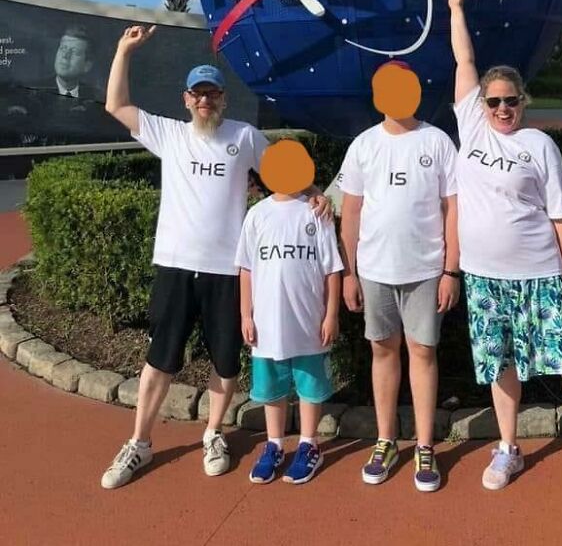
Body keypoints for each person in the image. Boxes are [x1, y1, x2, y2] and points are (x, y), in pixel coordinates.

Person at [100, 25, 331, 490]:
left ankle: (213, 434)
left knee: (225, 362)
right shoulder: (168, 135)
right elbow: (116, 106)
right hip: (175, 265)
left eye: (213, 94)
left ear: (224, 99)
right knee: (161, 358)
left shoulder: (244, 136)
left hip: (226, 271)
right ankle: (140, 442)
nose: (205, 100)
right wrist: (124, 50)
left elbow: (281, 172)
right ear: (186, 99)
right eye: (197, 94)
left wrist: (315, 193)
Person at [447, 0, 562, 517]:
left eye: (512, 101)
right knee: (500, 368)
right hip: (483, 279)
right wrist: (456, 8)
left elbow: (560, 216)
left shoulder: (539, 145)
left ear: (523, 102)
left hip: (540, 277)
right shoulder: (471, 128)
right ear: (482, 104)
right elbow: (465, 62)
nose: (503, 109)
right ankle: (508, 449)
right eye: (495, 101)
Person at [338, 61, 459, 493]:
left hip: (427, 271)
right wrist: (349, 273)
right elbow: (349, 213)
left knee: (423, 354)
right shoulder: (364, 146)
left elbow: (453, 211)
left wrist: (450, 271)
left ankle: (425, 446)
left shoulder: (437, 141)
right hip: (374, 272)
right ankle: (386, 440)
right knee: (382, 352)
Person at [235, 139, 344, 485]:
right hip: (267, 325)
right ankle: (274, 444)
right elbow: (246, 269)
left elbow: (332, 270)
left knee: (310, 387)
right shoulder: (257, 215)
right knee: (272, 389)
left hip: (308, 322)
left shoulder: (316, 213)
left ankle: (309, 444)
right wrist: (245, 315)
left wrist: (331, 315)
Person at [41, 25, 100, 100]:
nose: (65, 56)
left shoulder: (95, 97)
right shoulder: (34, 91)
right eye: (63, 48)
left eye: (74, 52)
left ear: (87, 66)